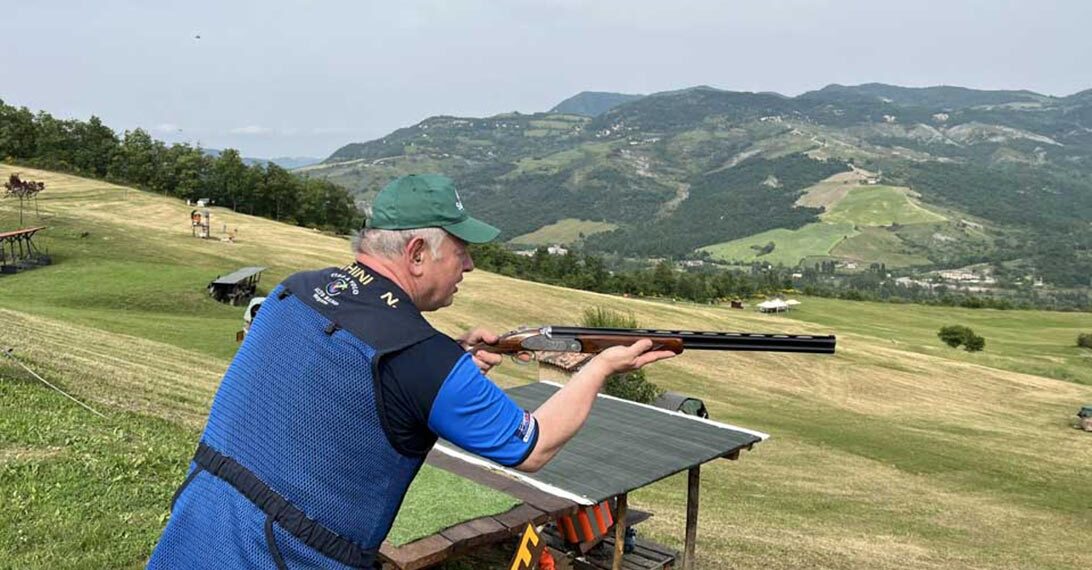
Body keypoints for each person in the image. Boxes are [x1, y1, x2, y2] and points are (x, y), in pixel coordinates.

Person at [148, 174, 675, 569]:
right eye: (463, 252)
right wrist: (601, 366)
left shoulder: (299, 288)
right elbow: (533, 447)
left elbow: (344, 386)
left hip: (198, 527)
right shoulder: (423, 359)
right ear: (419, 252)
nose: (469, 267)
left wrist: (452, 367)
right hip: (284, 557)